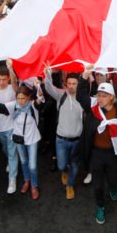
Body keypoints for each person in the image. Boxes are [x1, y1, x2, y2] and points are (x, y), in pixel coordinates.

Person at [77, 65, 117, 225]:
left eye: (103, 96)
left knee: (114, 179)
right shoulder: (94, 108)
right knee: (97, 185)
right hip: (96, 153)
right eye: (98, 95)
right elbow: (81, 96)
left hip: (113, 153)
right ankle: (100, 206)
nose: (99, 98)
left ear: (111, 97)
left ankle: (114, 188)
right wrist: (84, 77)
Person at [0, 84, 44, 200]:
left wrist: (39, 88)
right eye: (18, 98)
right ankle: (27, 181)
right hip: (19, 139)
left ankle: (34, 186)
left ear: (28, 98)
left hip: (32, 139)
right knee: (24, 161)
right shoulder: (14, 106)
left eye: (23, 98)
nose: (20, 101)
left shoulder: (33, 106)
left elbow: (39, 100)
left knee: (32, 165)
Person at [44, 66, 84, 200]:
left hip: (77, 141)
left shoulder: (83, 99)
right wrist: (48, 74)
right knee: (61, 165)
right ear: (66, 84)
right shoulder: (61, 95)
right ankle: (64, 171)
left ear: (78, 84)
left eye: (74, 84)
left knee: (75, 165)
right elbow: (49, 87)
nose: (71, 86)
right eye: (69, 83)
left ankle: (70, 186)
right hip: (61, 140)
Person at [0, 61, 19, 194]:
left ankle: (12, 179)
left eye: (4, 80)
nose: (1, 82)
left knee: (11, 153)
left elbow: (15, 84)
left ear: (8, 79)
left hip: (11, 127)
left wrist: (11, 68)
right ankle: (13, 163)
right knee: (6, 150)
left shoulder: (12, 89)